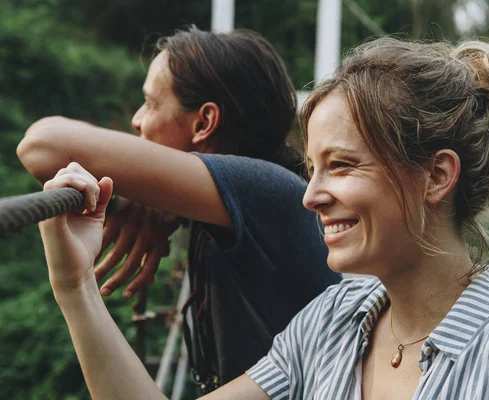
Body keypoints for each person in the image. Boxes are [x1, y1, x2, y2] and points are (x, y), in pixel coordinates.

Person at [35, 36, 489, 399]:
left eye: (342, 165)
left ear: (436, 176)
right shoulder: (330, 324)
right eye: (311, 168)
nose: (310, 195)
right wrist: (75, 285)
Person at [17, 26, 340, 394]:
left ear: (204, 122)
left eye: (151, 103)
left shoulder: (266, 189)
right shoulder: (252, 202)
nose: (137, 120)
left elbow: (41, 145)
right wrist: (159, 200)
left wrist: (149, 192)